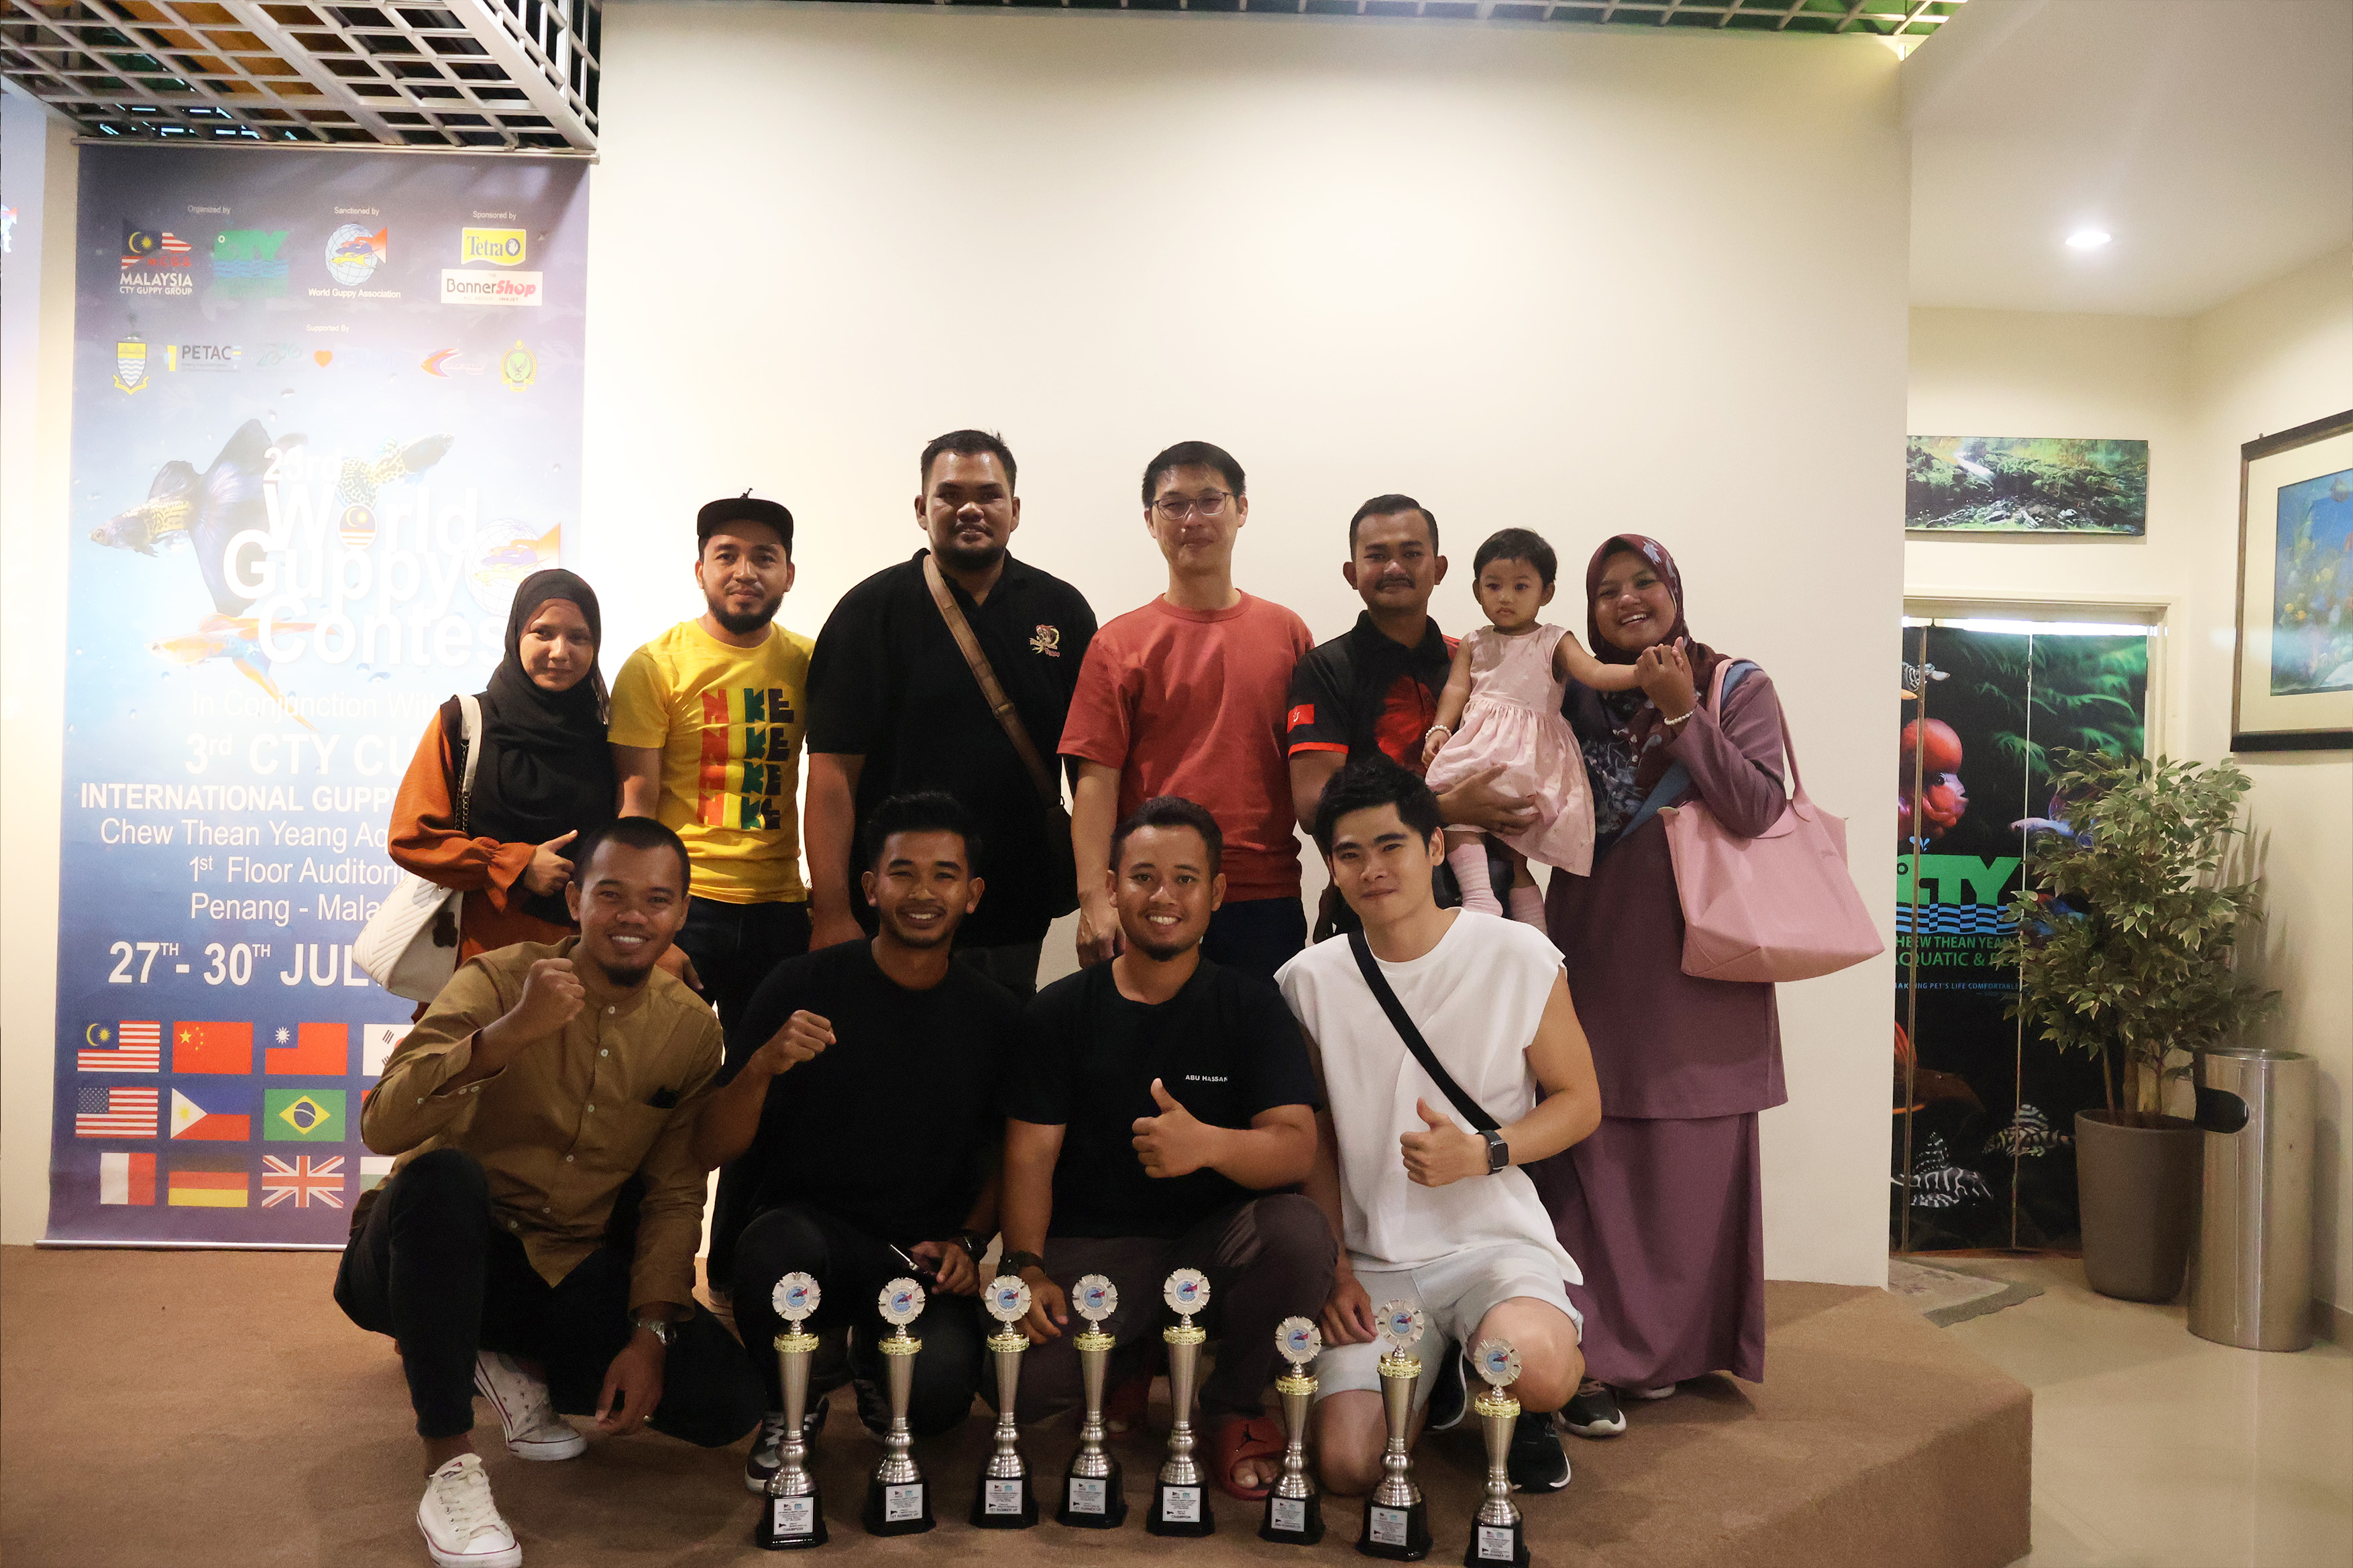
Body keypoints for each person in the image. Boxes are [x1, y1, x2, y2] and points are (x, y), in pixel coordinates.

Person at [337, 816, 761, 1568]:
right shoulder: (497, 979)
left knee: (725, 1401)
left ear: (682, 913)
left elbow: (674, 1190)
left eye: (657, 899)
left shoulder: (693, 1030)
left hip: (554, 1264)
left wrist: (650, 1333)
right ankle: (448, 1463)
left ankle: (500, 1353)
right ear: (575, 901)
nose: (633, 916)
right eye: (611, 894)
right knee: (446, 1180)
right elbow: (383, 1124)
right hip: (421, 1252)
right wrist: (507, 1034)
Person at [1278, 758, 1600, 1498]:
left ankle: (1516, 1397)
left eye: (1390, 845)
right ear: (1332, 868)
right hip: (1376, 1259)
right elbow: (1316, 1140)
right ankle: (1446, 1371)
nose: (1371, 869)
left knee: (1538, 1368)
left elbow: (1580, 1101)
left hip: (1491, 1244)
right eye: (1350, 854)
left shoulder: (1517, 954)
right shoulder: (1307, 981)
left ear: (1433, 847)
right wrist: (1335, 1269)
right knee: (1348, 1467)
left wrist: (1485, 1152)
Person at [999, 797, 1332, 1502]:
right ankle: (1129, 1354)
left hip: (1215, 1244)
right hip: (1097, 1247)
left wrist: (1205, 1145)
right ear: (1111, 887)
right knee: (1024, 1386)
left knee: (1299, 1234)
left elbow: (1296, 1150)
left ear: (1216, 892)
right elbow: (1029, 1156)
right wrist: (1025, 1265)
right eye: (1143, 876)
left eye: (1185, 879)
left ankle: (1231, 1406)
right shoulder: (1058, 1012)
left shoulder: (1252, 1007)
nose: (1163, 897)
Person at [1537, 535, 1788, 1441]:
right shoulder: (1575, 695)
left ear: (1674, 589)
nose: (1627, 599)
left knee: (1688, 1164)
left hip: (1700, 963)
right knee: (1591, 1149)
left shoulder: (1734, 684)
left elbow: (1758, 807)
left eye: (1643, 580)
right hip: (1594, 947)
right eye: (1607, 589)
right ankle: (1593, 1350)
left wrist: (1683, 711)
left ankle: (1673, 1350)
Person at [696, 791, 1020, 1490]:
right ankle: (793, 1401)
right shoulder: (800, 983)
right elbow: (710, 1145)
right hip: (809, 1236)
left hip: (918, 1254)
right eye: (903, 872)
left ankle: (874, 1362)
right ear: (870, 887)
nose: (923, 893)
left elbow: (1008, 1153)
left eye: (944, 875)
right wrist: (761, 1066)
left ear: (972, 894)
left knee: (936, 1400)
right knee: (772, 1251)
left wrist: (969, 1242)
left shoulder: (996, 1015)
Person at [802, 429, 1097, 998]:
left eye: (989, 495)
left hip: (1015, 900)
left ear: (1015, 510)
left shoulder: (1061, 610)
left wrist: (1096, 895)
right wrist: (832, 910)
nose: (970, 509)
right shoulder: (868, 613)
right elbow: (833, 774)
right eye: (950, 495)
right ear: (921, 509)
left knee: (1002, 1042)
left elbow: (1091, 774)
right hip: (891, 906)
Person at [1058, 441, 1316, 982]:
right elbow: (1096, 783)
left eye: (1210, 501)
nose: (1192, 519)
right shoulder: (1118, 645)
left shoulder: (1288, 633)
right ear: (1151, 521)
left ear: (1241, 509)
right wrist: (1095, 897)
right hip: (1154, 896)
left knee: (1258, 1032)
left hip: (1263, 893)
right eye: (1174, 505)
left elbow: (1314, 770)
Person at [1282, 495, 1547, 936]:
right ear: (1352, 573)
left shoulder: (1477, 663)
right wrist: (1447, 808)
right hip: (1378, 913)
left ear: (1439, 569)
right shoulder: (1325, 669)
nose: (1394, 567)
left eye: (1411, 553)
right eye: (1376, 556)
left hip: (1494, 903)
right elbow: (1315, 808)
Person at [608, 494, 814, 1038]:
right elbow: (636, 809)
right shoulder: (655, 665)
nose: (745, 572)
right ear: (700, 571)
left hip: (779, 905)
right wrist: (654, 928)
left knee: (772, 1073)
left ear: (789, 575)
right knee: (659, 1071)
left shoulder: (810, 663)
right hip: (684, 903)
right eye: (727, 556)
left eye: (764, 558)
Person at [388, 569, 616, 972]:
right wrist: (515, 864)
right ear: (515, 635)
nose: (560, 651)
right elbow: (412, 837)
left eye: (579, 637)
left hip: (583, 966)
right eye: (543, 633)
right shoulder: (465, 722)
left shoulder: (610, 740)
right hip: (480, 961)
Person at [1423, 528, 1642, 921]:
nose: (1505, 597)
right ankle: (1491, 902)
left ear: (1547, 592)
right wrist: (1440, 728)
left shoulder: (1554, 640)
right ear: (1477, 591)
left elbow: (1594, 673)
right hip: (1480, 744)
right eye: (1494, 586)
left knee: (1510, 845)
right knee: (1455, 806)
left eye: (1520, 586)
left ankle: (1508, 916)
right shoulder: (1475, 642)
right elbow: (1457, 689)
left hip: (1526, 756)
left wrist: (1640, 674)